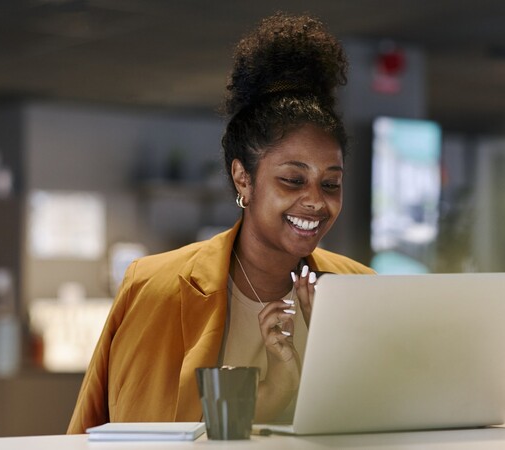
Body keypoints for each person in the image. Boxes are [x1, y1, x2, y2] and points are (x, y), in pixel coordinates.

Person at [67, 13, 374, 434]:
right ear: (243, 178)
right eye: (292, 180)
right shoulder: (156, 287)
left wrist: (337, 346)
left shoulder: (361, 289)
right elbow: (113, 434)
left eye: (332, 183)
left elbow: (388, 428)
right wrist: (272, 395)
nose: (316, 201)